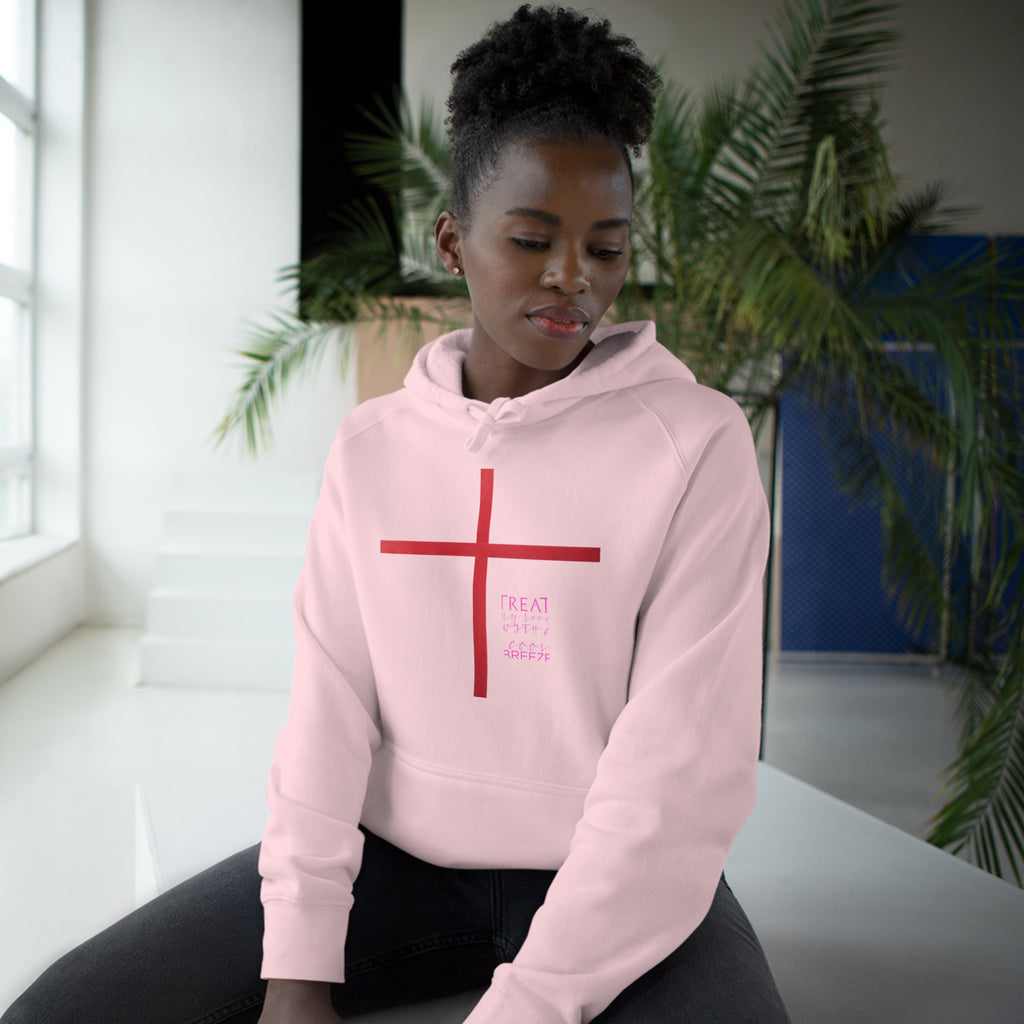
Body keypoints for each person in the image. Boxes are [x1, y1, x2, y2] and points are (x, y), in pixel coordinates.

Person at [2, 5, 790, 1022]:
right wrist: (297, 972)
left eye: (606, 247)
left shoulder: (696, 443)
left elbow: (677, 769)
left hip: (616, 872)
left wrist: (529, 1005)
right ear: (452, 241)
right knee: (59, 1011)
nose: (573, 278)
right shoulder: (371, 447)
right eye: (532, 239)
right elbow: (328, 711)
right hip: (399, 868)